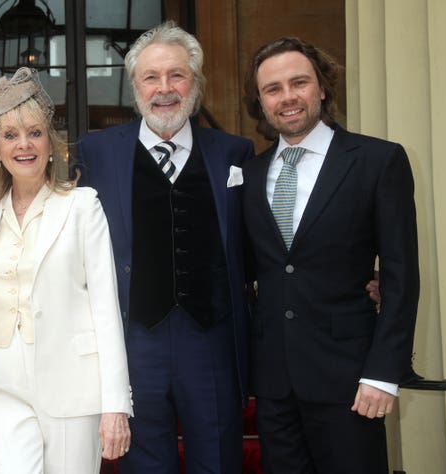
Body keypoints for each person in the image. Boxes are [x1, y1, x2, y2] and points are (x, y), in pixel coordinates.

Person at [77, 21, 254, 473]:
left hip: (211, 342)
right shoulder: (96, 152)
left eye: (177, 75)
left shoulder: (234, 153)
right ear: (133, 85)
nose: (164, 89)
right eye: (151, 77)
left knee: (218, 461)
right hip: (134, 344)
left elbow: (259, 243)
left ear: (195, 83)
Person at [241, 36, 420, 474]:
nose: (287, 97)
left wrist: (382, 373)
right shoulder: (249, 175)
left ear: (321, 86)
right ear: (261, 102)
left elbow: (401, 276)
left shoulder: (378, 161)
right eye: (273, 89)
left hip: (352, 382)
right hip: (275, 387)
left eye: (298, 82)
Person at [0, 66, 132, 474]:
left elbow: (106, 308)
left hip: (73, 385)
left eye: (35, 133)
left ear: (52, 144)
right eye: (11, 136)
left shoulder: (83, 206)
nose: (24, 145)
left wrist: (116, 404)